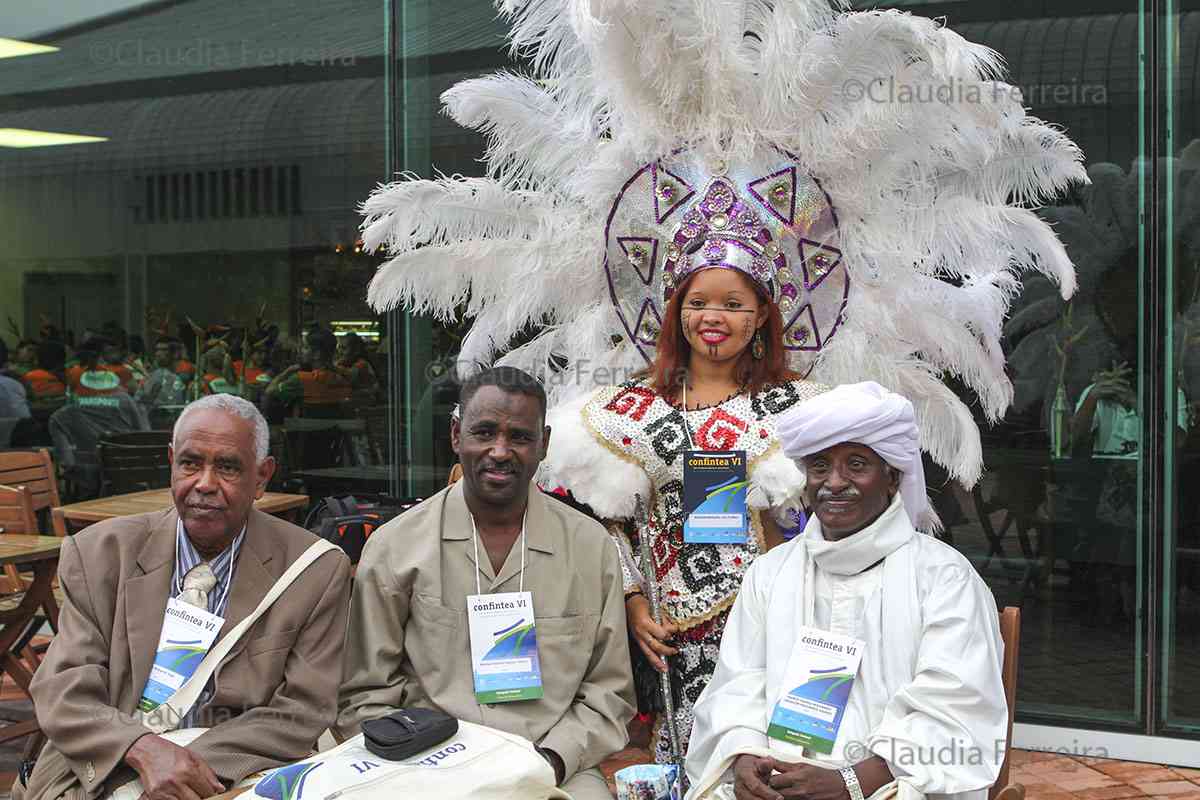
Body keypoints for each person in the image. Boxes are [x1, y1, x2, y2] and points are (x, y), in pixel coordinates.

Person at [17, 394, 352, 800]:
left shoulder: (313, 570)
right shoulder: (98, 553)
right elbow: (64, 686)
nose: (205, 484)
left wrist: (183, 767)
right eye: (191, 463)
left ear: (262, 477)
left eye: (228, 467)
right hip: (106, 765)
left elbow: (301, 710)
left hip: (236, 770)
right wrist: (142, 750)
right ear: (172, 461)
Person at [685, 382, 1007, 800]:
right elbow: (739, 684)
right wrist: (746, 759)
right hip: (781, 781)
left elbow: (955, 708)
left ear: (891, 478)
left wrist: (849, 783)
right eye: (820, 467)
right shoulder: (770, 573)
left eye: (856, 465)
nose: (834, 483)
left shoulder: (944, 577)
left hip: (895, 785)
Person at [337, 367, 635, 800]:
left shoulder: (591, 548)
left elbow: (608, 695)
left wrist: (548, 761)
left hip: (553, 767)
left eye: (519, 437)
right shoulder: (396, 547)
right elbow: (365, 695)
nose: (500, 451)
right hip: (425, 767)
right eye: (484, 432)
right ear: (457, 435)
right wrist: (425, 764)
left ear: (544, 444)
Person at [265, 327, 352, 412]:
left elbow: (269, 392)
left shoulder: (300, 379)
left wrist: (287, 372)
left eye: (305, 347)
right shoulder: (346, 377)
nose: (301, 351)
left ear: (316, 354)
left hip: (305, 426)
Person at [0, 338, 32, 420]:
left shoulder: (14, 377)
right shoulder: (10, 383)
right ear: (19, 350)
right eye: (29, 350)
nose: (31, 353)